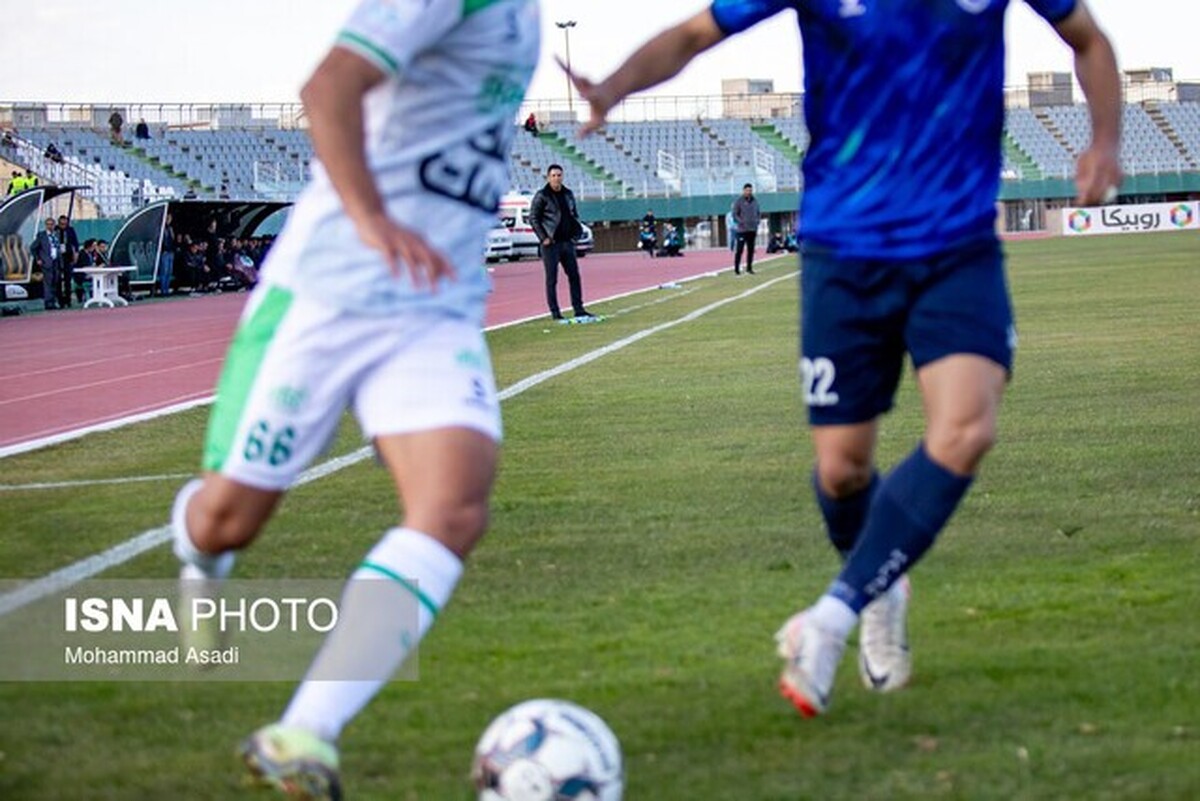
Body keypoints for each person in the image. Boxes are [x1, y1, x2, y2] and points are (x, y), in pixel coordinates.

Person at [568, 0, 1121, 718]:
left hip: (955, 245)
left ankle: (832, 619)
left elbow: (1088, 38)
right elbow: (694, 34)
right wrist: (612, 87)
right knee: (842, 467)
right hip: (845, 250)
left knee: (967, 428)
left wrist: (1105, 138)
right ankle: (880, 589)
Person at [167, 0, 539, 797]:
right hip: (326, 296)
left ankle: (302, 734)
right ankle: (199, 548)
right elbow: (329, 86)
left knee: (454, 508)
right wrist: (371, 217)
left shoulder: (527, 15)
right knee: (229, 516)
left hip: (432, 305)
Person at [529, 164, 595, 321]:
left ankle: (578, 309)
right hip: (551, 244)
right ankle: (555, 312)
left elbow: (574, 215)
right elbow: (533, 218)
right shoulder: (542, 195)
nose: (557, 178)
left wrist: (575, 236)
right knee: (552, 279)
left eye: (559, 175)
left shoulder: (568, 194)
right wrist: (543, 237)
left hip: (567, 243)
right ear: (548, 177)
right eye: (553, 175)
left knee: (574, 276)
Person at [30, 218, 63, 311]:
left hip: (56, 261)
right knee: (48, 282)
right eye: (48, 224)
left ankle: (53, 300)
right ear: (45, 225)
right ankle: (48, 303)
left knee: (55, 281)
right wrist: (38, 259)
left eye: (52, 224)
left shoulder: (56, 235)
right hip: (46, 262)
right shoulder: (41, 235)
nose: (50, 226)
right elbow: (33, 248)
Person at [731, 182, 760, 275]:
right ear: (744, 190)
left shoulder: (755, 201)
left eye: (750, 190)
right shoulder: (739, 201)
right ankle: (736, 269)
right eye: (747, 190)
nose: (749, 192)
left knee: (751, 250)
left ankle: (749, 268)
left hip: (752, 229)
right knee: (739, 250)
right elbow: (735, 214)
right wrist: (741, 222)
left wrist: (757, 221)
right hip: (742, 230)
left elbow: (758, 212)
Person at [56, 215, 80, 307]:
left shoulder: (70, 230)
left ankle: (68, 300)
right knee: (58, 280)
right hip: (58, 257)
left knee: (67, 279)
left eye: (65, 224)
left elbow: (75, 243)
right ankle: (60, 300)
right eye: (61, 224)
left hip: (68, 256)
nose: (63, 225)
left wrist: (75, 255)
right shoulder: (56, 230)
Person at [158, 212, 176, 296]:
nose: (169, 220)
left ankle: (167, 289)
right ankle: (163, 290)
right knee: (164, 271)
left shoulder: (170, 229)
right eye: (167, 218)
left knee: (169, 271)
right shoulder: (161, 228)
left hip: (170, 251)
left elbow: (173, 239)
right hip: (165, 252)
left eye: (170, 218)